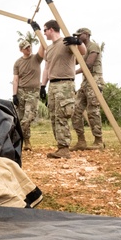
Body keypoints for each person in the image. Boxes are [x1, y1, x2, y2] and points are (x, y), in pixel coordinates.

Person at [40, 21, 81, 159]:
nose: (44, 33)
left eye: (45, 30)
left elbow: (82, 53)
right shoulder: (49, 48)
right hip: (52, 84)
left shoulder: (66, 42)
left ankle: (64, 148)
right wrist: (42, 85)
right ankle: (60, 146)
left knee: (63, 115)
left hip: (65, 84)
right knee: (54, 116)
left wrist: (78, 42)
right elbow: (46, 68)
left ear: (51, 29)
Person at [70, 28, 105, 151]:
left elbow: (88, 65)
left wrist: (72, 72)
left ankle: (98, 141)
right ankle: (81, 141)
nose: (78, 37)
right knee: (75, 111)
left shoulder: (93, 46)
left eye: (79, 35)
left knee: (92, 111)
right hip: (85, 83)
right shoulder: (82, 50)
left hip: (94, 81)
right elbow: (73, 61)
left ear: (87, 34)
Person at [12, 37, 44, 150]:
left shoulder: (36, 58)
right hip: (21, 91)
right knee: (19, 118)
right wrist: (14, 95)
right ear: (21, 50)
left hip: (33, 92)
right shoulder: (17, 63)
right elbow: (15, 79)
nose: (28, 49)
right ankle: (26, 142)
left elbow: (43, 47)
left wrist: (40, 35)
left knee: (28, 117)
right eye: (26, 48)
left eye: (29, 46)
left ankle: (20, 139)